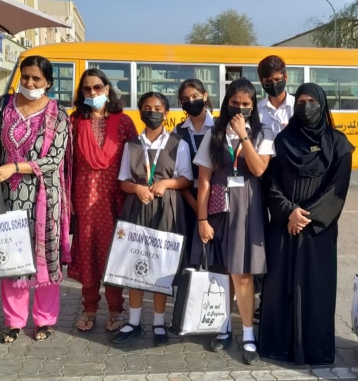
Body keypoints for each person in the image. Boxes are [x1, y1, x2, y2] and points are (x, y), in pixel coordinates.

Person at [259, 83, 353, 365]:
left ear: (322, 105)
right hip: (284, 227)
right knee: (280, 287)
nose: (306, 105)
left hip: (317, 231)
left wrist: (305, 216)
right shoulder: (282, 140)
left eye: (312, 100)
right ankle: (278, 346)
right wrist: (288, 211)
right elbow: (269, 182)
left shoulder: (338, 143)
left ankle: (315, 349)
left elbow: (338, 188)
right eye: (300, 100)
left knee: (315, 287)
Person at [0, 56, 71, 344]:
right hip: (9, 196)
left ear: (48, 83)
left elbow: (54, 159)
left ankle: (44, 320)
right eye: (26, 76)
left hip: (44, 197)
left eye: (36, 79)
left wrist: (15, 167)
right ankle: (14, 321)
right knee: (12, 259)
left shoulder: (58, 114)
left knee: (44, 258)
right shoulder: (5, 105)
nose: (29, 83)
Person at [193, 78, 274, 365]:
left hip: (247, 210)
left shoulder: (263, 133)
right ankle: (224, 326)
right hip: (218, 209)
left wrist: (243, 136)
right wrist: (202, 218)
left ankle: (248, 334)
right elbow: (203, 180)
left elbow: (259, 169)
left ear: (253, 106)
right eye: (234, 103)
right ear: (226, 102)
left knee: (243, 274)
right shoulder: (213, 134)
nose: (239, 108)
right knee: (223, 272)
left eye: (245, 104)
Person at [112, 92, 192, 345]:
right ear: (140, 112)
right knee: (135, 262)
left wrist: (167, 183)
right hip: (137, 207)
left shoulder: (179, 144)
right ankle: (134, 321)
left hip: (166, 209)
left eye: (158, 108)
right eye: (147, 108)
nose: (152, 112)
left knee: (161, 265)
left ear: (166, 112)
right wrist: (137, 188)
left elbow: (186, 179)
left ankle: (159, 322)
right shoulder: (132, 145)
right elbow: (123, 181)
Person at [68, 68, 137, 332]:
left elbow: (135, 160)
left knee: (113, 254)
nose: (92, 92)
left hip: (114, 199)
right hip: (84, 199)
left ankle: (116, 310)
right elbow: (66, 163)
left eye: (97, 87)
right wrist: (67, 197)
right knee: (87, 253)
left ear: (107, 89)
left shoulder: (123, 122)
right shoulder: (75, 121)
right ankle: (89, 308)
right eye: (86, 89)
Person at [254, 55, 295, 322]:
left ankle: (292, 295)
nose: (274, 85)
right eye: (268, 81)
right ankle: (265, 298)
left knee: (291, 237)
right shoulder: (257, 111)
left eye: (278, 79)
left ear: (286, 77)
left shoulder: (299, 106)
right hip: (264, 177)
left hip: (295, 178)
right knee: (264, 239)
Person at [175, 79, 214, 259]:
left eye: (195, 96)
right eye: (185, 99)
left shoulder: (219, 127)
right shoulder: (177, 132)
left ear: (205, 96)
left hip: (216, 197)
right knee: (189, 251)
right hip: (188, 197)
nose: (191, 101)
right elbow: (176, 172)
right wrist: (196, 205)